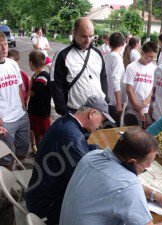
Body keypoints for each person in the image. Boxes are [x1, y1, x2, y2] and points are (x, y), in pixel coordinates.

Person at [60, 127, 162, 225]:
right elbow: (124, 187)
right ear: (132, 162)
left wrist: (157, 196)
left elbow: (115, 187)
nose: (149, 167)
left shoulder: (92, 156)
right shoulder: (128, 185)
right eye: (148, 164)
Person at [26, 95, 115, 225]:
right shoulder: (70, 136)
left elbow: (83, 146)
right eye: (102, 120)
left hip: (40, 193)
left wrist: (102, 152)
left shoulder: (66, 122)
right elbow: (84, 179)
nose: (101, 125)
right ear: (92, 114)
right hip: (46, 207)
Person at [50, 17, 108, 116]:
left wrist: (106, 100)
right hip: (74, 112)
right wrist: (62, 110)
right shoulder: (63, 55)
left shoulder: (97, 53)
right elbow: (56, 84)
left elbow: (103, 78)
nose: (88, 40)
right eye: (83, 36)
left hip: (97, 112)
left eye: (91, 36)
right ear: (74, 33)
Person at [0, 32, 30, 168]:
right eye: (0, 45)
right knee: (6, 158)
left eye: (5, 44)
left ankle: (20, 177)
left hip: (21, 116)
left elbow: (19, 87)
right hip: (5, 121)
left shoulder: (12, 64)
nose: (4, 48)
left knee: (23, 151)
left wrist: (24, 108)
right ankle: (7, 185)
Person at [124, 41, 158, 128]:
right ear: (142, 53)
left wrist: (144, 105)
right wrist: (138, 108)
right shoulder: (131, 67)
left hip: (147, 109)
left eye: (153, 57)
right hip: (132, 110)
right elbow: (129, 89)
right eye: (149, 56)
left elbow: (153, 90)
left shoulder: (154, 69)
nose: (151, 59)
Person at [27, 50, 51, 151]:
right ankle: (39, 152)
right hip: (36, 111)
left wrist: (31, 81)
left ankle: (44, 154)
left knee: (45, 136)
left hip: (41, 113)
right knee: (37, 133)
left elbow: (31, 93)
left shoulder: (42, 77)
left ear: (31, 63)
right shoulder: (40, 76)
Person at [105, 32, 126, 126]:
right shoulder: (116, 58)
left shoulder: (107, 56)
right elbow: (115, 81)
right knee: (112, 131)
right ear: (123, 44)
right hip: (113, 102)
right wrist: (119, 103)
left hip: (108, 99)